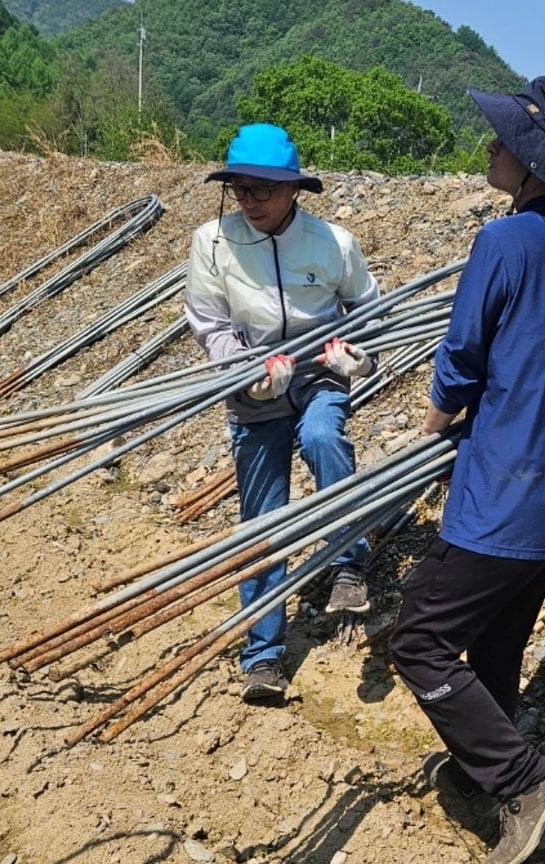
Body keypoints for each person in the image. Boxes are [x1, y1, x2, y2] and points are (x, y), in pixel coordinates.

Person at [389, 77, 545, 864]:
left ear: (532, 164)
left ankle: (525, 782)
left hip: (499, 499)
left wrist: (425, 434)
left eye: (502, 141)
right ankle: (479, 773)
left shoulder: (504, 243)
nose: (489, 148)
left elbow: (460, 362)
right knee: (495, 646)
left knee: (420, 641)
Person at [183, 122, 381, 703]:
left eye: (264, 190)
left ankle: (349, 564)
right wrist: (251, 377)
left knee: (323, 436)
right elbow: (210, 324)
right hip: (252, 387)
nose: (251, 201)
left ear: (294, 189)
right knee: (263, 521)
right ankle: (264, 657)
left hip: (320, 374)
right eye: (240, 188)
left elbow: (370, 313)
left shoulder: (333, 243)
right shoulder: (212, 242)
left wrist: (358, 359)